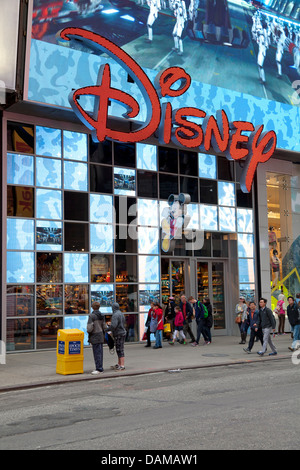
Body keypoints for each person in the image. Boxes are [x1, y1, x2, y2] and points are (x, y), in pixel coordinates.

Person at [87, 301, 106, 375]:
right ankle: (100, 367)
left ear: (92, 307)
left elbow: (89, 328)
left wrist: (88, 331)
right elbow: (104, 326)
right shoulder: (102, 315)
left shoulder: (92, 316)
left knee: (96, 352)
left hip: (95, 335)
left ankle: (99, 368)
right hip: (101, 334)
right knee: (100, 352)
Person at [109, 302, 126, 371]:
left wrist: (108, 328)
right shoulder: (121, 313)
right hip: (122, 332)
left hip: (118, 333)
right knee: (119, 348)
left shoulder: (115, 315)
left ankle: (122, 365)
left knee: (119, 349)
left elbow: (114, 326)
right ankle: (119, 364)